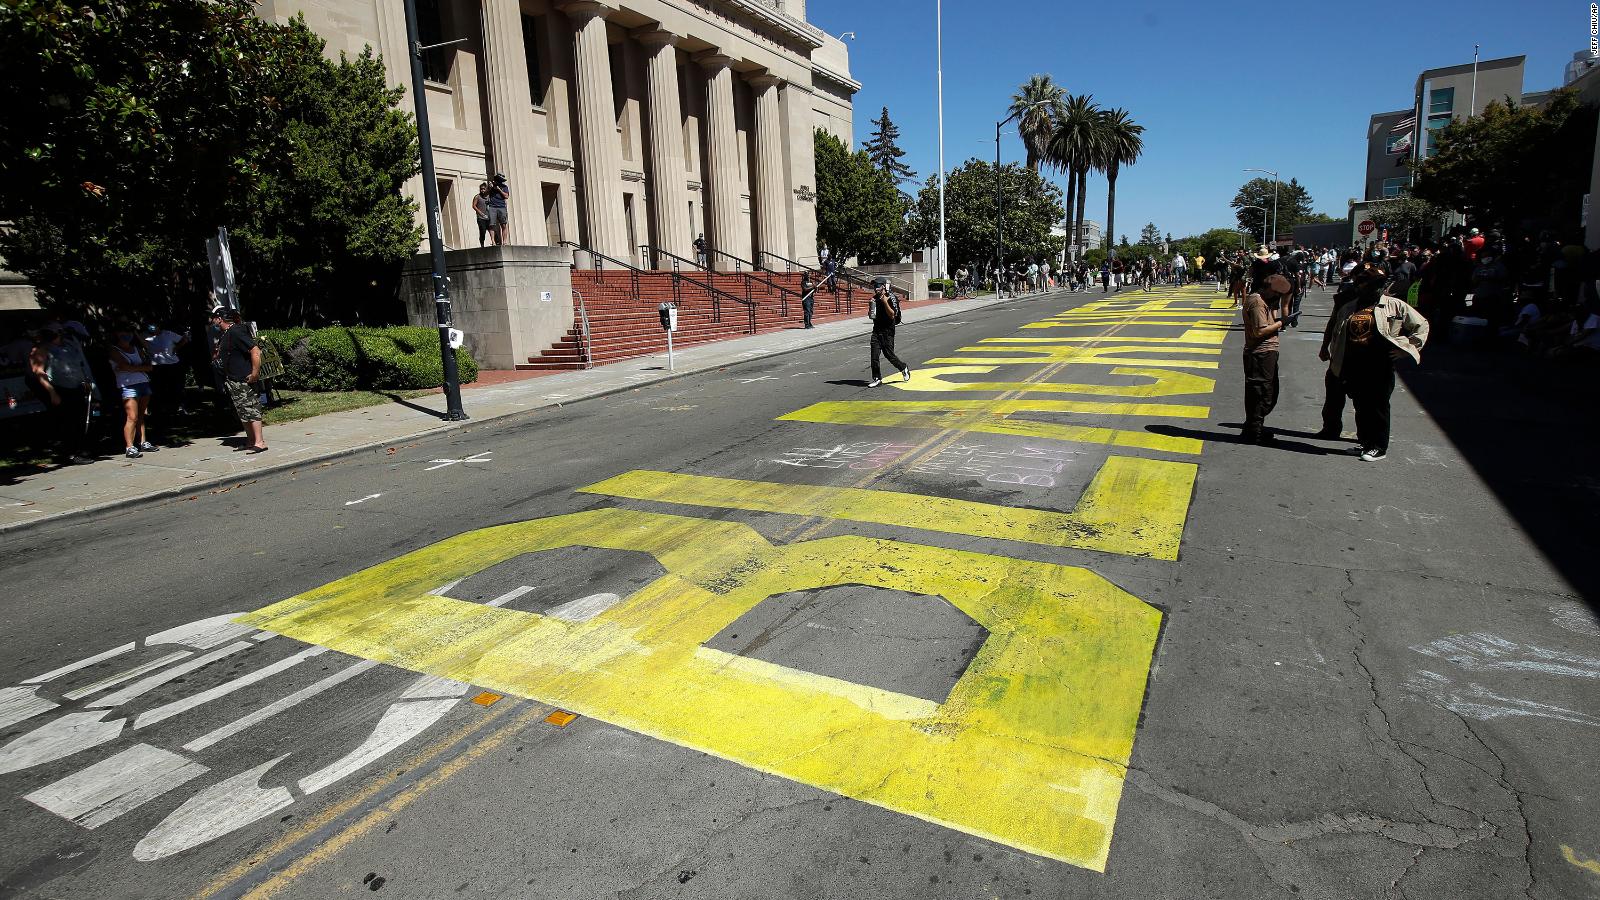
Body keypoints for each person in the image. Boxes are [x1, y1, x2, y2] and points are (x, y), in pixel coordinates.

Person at [1320, 263, 1429, 461]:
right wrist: (1332, 355)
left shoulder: (1393, 305)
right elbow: (1337, 332)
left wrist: (1407, 348)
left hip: (1379, 365)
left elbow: (1421, 325)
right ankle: (1365, 442)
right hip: (1354, 365)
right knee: (1361, 406)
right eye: (1370, 284)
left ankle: (1378, 446)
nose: (1376, 288)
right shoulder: (1349, 307)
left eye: (1379, 284)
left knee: (1378, 406)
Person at [27, 327, 96, 464]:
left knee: (80, 420)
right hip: (60, 390)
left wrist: (85, 380)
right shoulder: (41, 350)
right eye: (57, 331)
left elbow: (77, 365)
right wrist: (52, 393)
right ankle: (70, 453)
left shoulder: (68, 347)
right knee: (68, 422)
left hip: (76, 387)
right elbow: (39, 373)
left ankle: (80, 449)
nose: (60, 333)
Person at [1240, 274, 1290, 444]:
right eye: (1276, 294)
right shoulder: (1257, 302)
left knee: (1267, 392)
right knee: (1261, 393)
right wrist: (1281, 323)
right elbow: (1259, 331)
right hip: (1259, 352)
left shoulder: (1263, 301)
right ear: (1268, 289)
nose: (1277, 297)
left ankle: (1253, 428)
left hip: (1265, 352)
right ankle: (1254, 431)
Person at [211, 309, 268, 454]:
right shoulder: (227, 334)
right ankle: (251, 441)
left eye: (214, 318)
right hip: (233, 379)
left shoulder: (236, 331)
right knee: (243, 411)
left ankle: (259, 442)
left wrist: (255, 374)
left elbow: (255, 351)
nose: (212, 321)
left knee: (251, 409)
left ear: (220, 319)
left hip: (243, 379)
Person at [108, 326, 158, 458]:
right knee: (132, 417)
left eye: (129, 332)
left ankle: (143, 442)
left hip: (143, 383)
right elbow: (124, 366)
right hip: (128, 385)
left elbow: (148, 365)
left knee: (141, 415)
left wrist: (134, 368)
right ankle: (129, 447)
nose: (126, 334)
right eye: (123, 331)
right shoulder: (114, 350)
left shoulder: (136, 348)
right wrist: (140, 367)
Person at [865, 279, 910, 388]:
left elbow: (892, 315)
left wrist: (885, 302)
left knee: (889, 355)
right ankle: (877, 378)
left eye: (878, 286)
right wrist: (871, 307)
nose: (875, 288)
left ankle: (903, 367)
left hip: (887, 331)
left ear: (884, 287)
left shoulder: (891, 297)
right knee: (874, 356)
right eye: (874, 286)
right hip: (877, 330)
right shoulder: (875, 299)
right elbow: (872, 316)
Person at [144, 322, 188, 423]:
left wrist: (176, 348)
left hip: (172, 364)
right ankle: (161, 410)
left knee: (176, 387)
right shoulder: (145, 336)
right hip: (156, 366)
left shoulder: (167, 334)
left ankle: (180, 407)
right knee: (159, 389)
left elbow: (184, 339)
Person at [486, 173, 510, 245]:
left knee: (503, 224)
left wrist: (499, 189)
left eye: (501, 180)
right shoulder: (491, 186)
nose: (500, 181)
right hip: (492, 207)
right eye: (498, 180)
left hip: (501, 207)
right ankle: (493, 241)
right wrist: (490, 188)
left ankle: (505, 242)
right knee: (492, 224)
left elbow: (506, 196)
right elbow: (485, 194)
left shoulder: (504, 187)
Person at [472, 182, 492, 248]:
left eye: (483, 189)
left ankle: (494, 242)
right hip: (481, 218)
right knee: (482, 231)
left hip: (488, 217)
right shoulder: (477, 197)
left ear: (486, 189)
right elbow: (474, 206)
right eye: (481, 189)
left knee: (491, 230)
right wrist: (481, 213)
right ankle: (482, 244)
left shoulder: (489, 196)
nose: (482, 190)